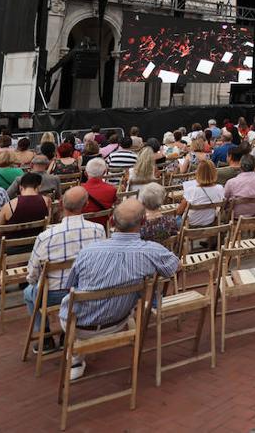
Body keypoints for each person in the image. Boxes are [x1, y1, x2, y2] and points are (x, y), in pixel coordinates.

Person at [59, 199, 179, 380]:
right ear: (143, 223)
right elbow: (176, 266)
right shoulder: (152, 251)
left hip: (78, 325)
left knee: (72, 300)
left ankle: (76, 357)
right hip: (118, 321)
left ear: (112, 222)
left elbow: (71, 286)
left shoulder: (88, 251)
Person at [23, 187, 105, 351]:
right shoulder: (99, 230)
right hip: (86, 290)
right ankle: (67, 332)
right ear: (86, 204)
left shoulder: (46, 236)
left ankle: (45, 337)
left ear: (61, 204)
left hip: (53, 294)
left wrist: (34, 282)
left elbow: (32, 275)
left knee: (28, 292)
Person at [0, 171, 52, 240]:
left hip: (11, 248)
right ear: (39, 186)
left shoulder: (9, 205)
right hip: (37, 245)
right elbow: (47, 223)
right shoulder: (47, 201)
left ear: (20, 187)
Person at [177, 160, 226, 227]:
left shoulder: (191, 190)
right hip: (209, 222)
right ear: (214, 172)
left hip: (190, 224)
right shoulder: (219, 188)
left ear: (198, 173)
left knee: (176, 218)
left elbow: (179, 211)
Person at [224, 153, 255, 219]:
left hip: (234, 217)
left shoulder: (231, 182)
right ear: (254, 166)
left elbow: (224, 202)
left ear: (240, 166)